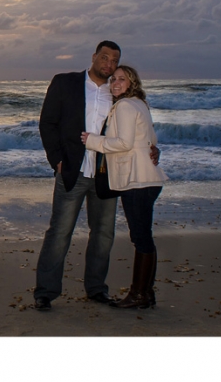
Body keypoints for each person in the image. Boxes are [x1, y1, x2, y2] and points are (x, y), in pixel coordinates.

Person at [33, 41, 122, 311]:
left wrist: (151, 148)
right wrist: (57, 160)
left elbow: (134, 127)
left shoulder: (119, 91)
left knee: (104, 234)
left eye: (114, 60)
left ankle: (96, 289)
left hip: (107, 173)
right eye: (105, 58)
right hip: (73, 170)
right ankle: (45, 292)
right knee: (60, 232)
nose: (109, 64)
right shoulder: (65, 83)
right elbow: (48, 122)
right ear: (94, 57)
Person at [82, 65, 168, 309]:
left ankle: (139, 294)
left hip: (136, 179)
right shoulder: (140, 104)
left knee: (141, 238)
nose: (116, 83)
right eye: (113, 79)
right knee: (144, 237)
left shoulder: (125, 106)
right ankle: (146, 293)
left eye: (122, 79)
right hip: (147, 178)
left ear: (132, 83)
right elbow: (151, 140)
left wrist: (92, 141)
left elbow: (124, 143)